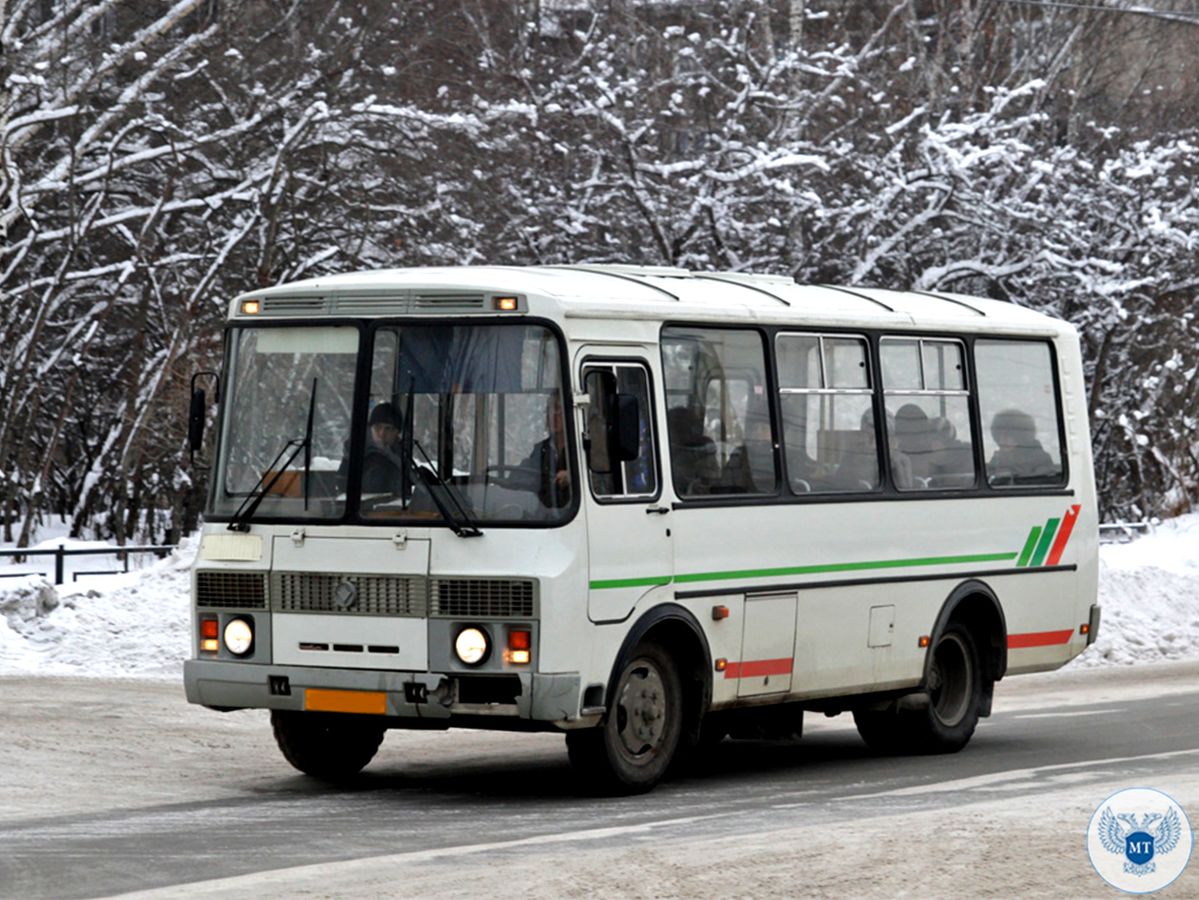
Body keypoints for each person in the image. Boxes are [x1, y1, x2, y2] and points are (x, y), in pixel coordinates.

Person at [519, 396, 571, 508]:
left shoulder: (579, 448)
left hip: (572, 510)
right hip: (544, 512)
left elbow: (599, 481)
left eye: (557, 410)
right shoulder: (541, 449)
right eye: (549, 411)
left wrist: (571, 477)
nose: (552, 416)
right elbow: (529, 475)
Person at [988, 408, 1056, 482]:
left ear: (1021, 436)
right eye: (999, 435)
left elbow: (1041, 486)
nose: (1002, 440)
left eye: (1008, 435)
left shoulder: (1041, 460)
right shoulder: (997, 460)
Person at [361, 401, 406, 494]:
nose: (382, 434)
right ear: (370, 429)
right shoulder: (355, 456)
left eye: (388, 428)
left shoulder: (402, 458)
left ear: (397, 433)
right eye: (378, 427)